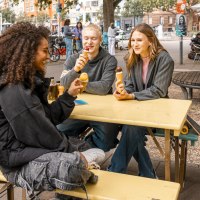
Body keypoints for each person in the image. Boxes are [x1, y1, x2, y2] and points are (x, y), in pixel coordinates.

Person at [0, 22, 105, 196]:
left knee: (84, 148)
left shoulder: (25, 80)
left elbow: (45, 118)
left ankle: (79, 168)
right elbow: (40, 133)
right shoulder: (13, 88)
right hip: (15, 163)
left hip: (26, 150)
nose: (48, 56)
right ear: (27, 53)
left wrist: (69, 95)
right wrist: (72, 153)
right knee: (74, 166)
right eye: (45, 51)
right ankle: (80, 165)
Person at [108, 23, 174, 178]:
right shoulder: (132, 58)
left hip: (158, 109)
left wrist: (131, 96)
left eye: (139, 40)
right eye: (132, 40)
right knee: (131, 129)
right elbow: (130, 84)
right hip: (137, 109)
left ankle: (115, 172)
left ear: (150, 41)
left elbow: (159, 90)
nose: (134, 44)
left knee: (130, 128)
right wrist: (124, 90)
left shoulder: (165, 59)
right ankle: (148, 174)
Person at [58, 23, 119, 152]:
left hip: (102, 109)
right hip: (78, 107)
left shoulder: (109, 60)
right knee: (58, 131)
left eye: (93, 38)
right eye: (86, 38)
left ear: (100, 40)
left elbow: (104, 87)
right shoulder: (73, 59)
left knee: (107, 140)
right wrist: (76, 69)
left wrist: (78, 85)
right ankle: (77, 151)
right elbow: (63, 84)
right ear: (81, 38)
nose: (89, 42)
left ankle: (83, 147)